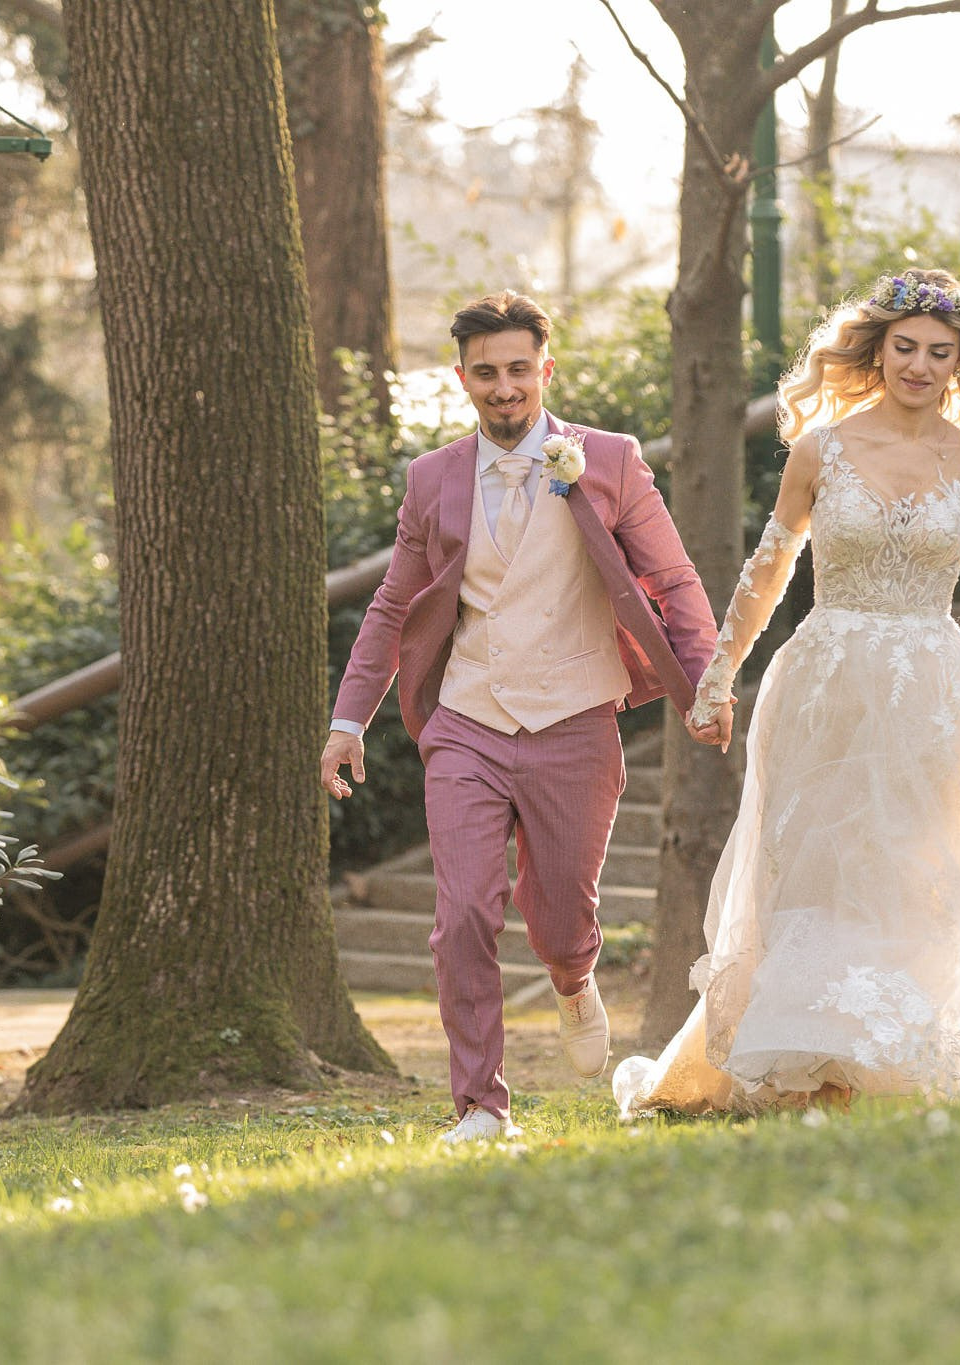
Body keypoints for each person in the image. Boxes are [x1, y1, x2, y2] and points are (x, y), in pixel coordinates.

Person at [614, 269, 960, 1117]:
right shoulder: (820, 450)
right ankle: (807, 1064)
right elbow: (766, 571)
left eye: (941, 353)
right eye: (906, 347)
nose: (921, 366)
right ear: (877, 350)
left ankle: (885, 1057)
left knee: (917, 876)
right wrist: (718, 677)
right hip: (826, 685)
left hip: (935, 696)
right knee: (816, 872)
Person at [323, 291, 717, 1144]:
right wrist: (350, 718)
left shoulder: (608, 461)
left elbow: (676, 579)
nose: (504, 388)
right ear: (462, 378)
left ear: (546, 370)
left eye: (518, 369)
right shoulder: (432, 479)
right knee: (463, 908)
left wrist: (705, 681)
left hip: (575, 715)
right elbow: (394, 605)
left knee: (560, 913)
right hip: (466, 717)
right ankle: (480, 1104)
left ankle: (574, 977)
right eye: (485, 373)